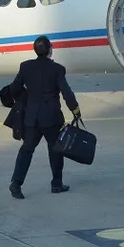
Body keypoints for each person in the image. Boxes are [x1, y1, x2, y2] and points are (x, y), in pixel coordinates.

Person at [7, 35, 81, 198]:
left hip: (32, 117)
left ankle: (16, 183)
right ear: (49, 50)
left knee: (26, 150)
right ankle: (56, 184)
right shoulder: (58, 69)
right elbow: (66, 92)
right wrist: (75, 110)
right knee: (55, 150)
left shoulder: (25, 67)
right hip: (52, 117)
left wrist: (25, 96)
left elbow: (14, 88)